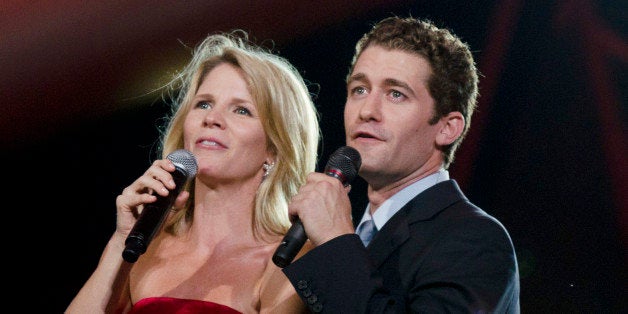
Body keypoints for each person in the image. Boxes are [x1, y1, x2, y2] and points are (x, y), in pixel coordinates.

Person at [66, 30, 320, 313]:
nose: (212, 119)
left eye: (241, 110)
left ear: (274, 149)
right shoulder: (144, 248)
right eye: (204, 104)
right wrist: (120, 242)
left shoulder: (287, 258)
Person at [282, 16, 520, 313]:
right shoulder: (351, 231)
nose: (367, 110)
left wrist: (334, 241)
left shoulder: (475, 240)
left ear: (447, 128)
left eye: (396, 94)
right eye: (359, 89)